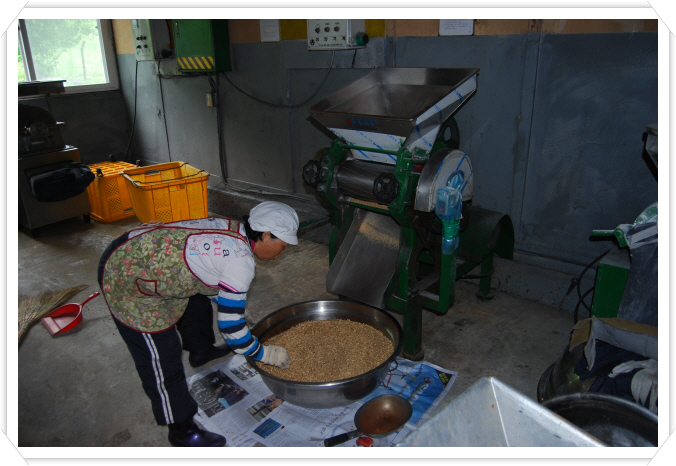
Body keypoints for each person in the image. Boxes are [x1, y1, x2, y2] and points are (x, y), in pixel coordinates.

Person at [97, 201, 298, 447]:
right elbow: (232, 330)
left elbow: (210, 276)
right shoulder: (241, 262)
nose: (282, 252)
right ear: (266, 235)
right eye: (283, 245)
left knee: (196, 300)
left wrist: (234, 307)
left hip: (136, 249)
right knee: (162, 356)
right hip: (124, 272)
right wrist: (264, 353)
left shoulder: (235, 230)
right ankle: (181, 429)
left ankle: (201, 350)